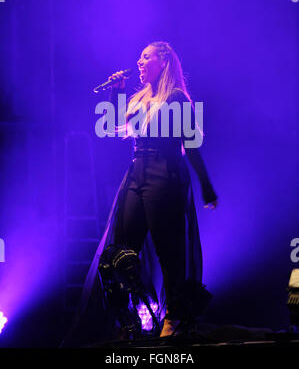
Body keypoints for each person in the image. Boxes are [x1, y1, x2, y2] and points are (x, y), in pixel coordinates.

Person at [64, 41, 217, 345]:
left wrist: (206, 185)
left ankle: (174, 317)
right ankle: (129, 319)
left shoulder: (175, 99)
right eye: (140, 57)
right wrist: (117, 92)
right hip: (137, 172)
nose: (139, 62)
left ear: (164, 62)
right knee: (120, 252)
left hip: (165, 174)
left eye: (146, 57)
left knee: (168, 252)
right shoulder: (141, 98)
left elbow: (192, 145)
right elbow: (114, 127)